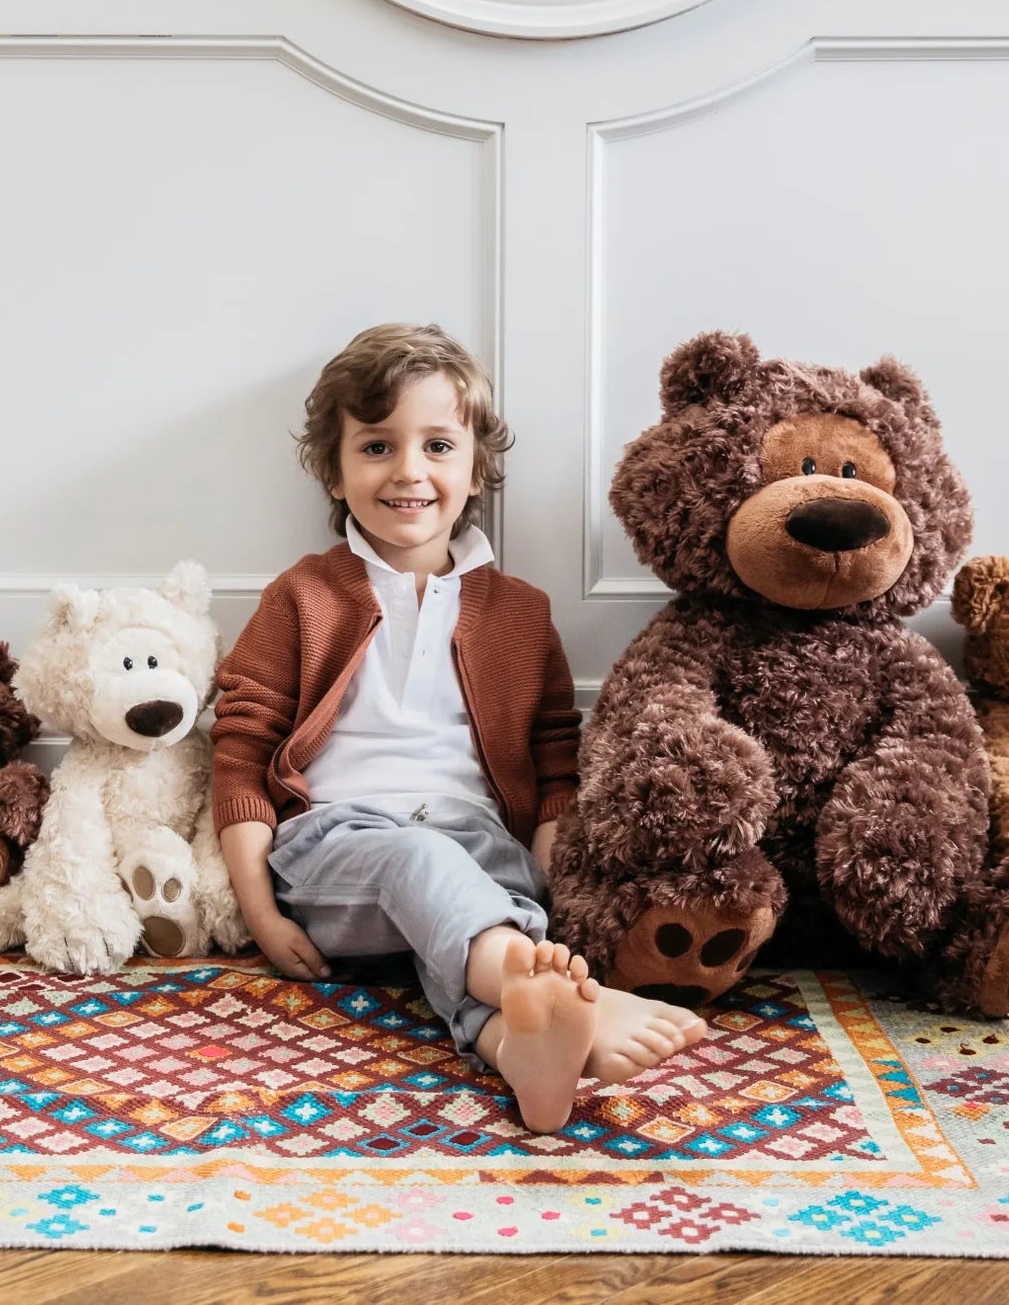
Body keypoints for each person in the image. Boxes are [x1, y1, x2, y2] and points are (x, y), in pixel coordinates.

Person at [212, 324, 705, 1134]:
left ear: (475, 466)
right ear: (334, 473)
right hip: (336, 849)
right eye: (377, 446)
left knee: (464, 898)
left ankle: (521, 1045)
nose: (409, 470)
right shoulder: (302, 596)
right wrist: (261, 912)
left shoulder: (521, 612)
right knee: (422, 862)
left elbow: (553, 769)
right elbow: (241, 752)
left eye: (438, 444)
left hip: (481, 847)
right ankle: (535, 979)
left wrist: (553, 892)